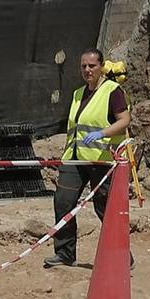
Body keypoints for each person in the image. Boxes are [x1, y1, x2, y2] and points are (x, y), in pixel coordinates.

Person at [43, 49, 131, 269]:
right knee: (63, 201)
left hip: (101, 160)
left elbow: (124, 120)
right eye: (83, 66)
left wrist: (102, 133)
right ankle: (65, 253)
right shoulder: (77, 94)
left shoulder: (112, 91)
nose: (87, 70)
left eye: (92, 65)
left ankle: (123, 257)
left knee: (106, 209)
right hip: (74, 158)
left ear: (101, 66)